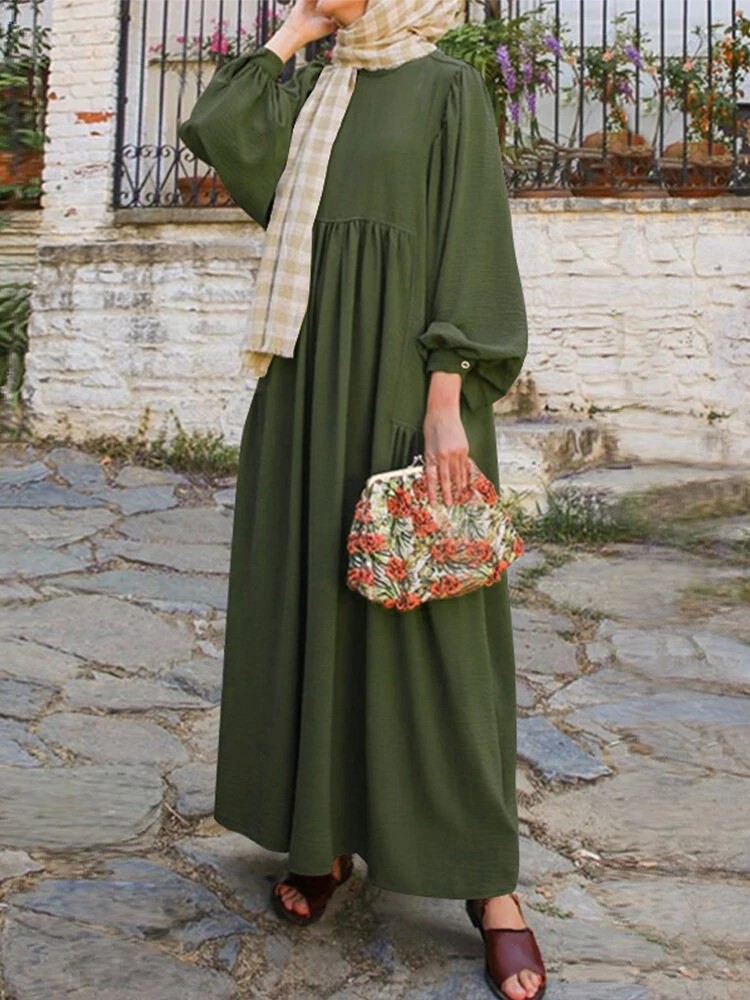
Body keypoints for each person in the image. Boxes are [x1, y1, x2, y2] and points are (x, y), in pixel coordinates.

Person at [178, 1, 545, 997]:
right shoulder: (315, 90)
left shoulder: (447, 90)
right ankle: (322, 838)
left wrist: (445, 404)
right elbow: (217, 129)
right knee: (314, 606)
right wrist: (296, 32)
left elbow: (470, 245)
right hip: (307, 389)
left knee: (434, 630)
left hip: (403, 392)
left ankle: (491, 888)